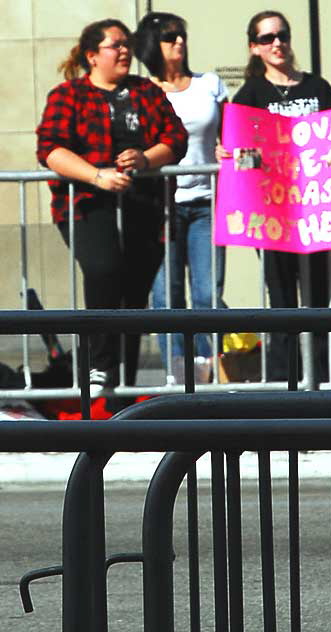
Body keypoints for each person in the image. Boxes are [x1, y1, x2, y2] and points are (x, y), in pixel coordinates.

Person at [36, 18, 187, 396]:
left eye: (126, 45)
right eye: (114, 45)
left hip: (143, 205)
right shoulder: (69, 95)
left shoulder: (145, 92)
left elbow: (176, 137)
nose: (124, 51)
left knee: (135, 291)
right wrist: (96, 175)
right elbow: (50, 149)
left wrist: (145, 158)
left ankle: (125, 379)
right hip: (88, 203)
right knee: (104, 270)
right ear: (92, 55)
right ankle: (99, 366)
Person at [217, 10, 331, 384]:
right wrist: (230, 153)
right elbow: (239, 145)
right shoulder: (251, 94)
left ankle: (322, 380)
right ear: (254, 48)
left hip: (316, 210)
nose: (277, 43)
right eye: (267, 38)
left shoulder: (317, 87)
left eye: (282, 35)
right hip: (274, 213)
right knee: (283, 297)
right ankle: (289, 384)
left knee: (319, 298)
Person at [134, 12, 228, 383]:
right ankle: (177, 374)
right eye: (169, 37)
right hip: (162, 205)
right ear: (152, 46)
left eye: (181, 36)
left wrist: (227, 150)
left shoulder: (210, 84)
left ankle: (208, 372)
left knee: (207, 294)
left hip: (206, 201)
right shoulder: (142, 91)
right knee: (166, 298)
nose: (179, 43)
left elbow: (229, 134)